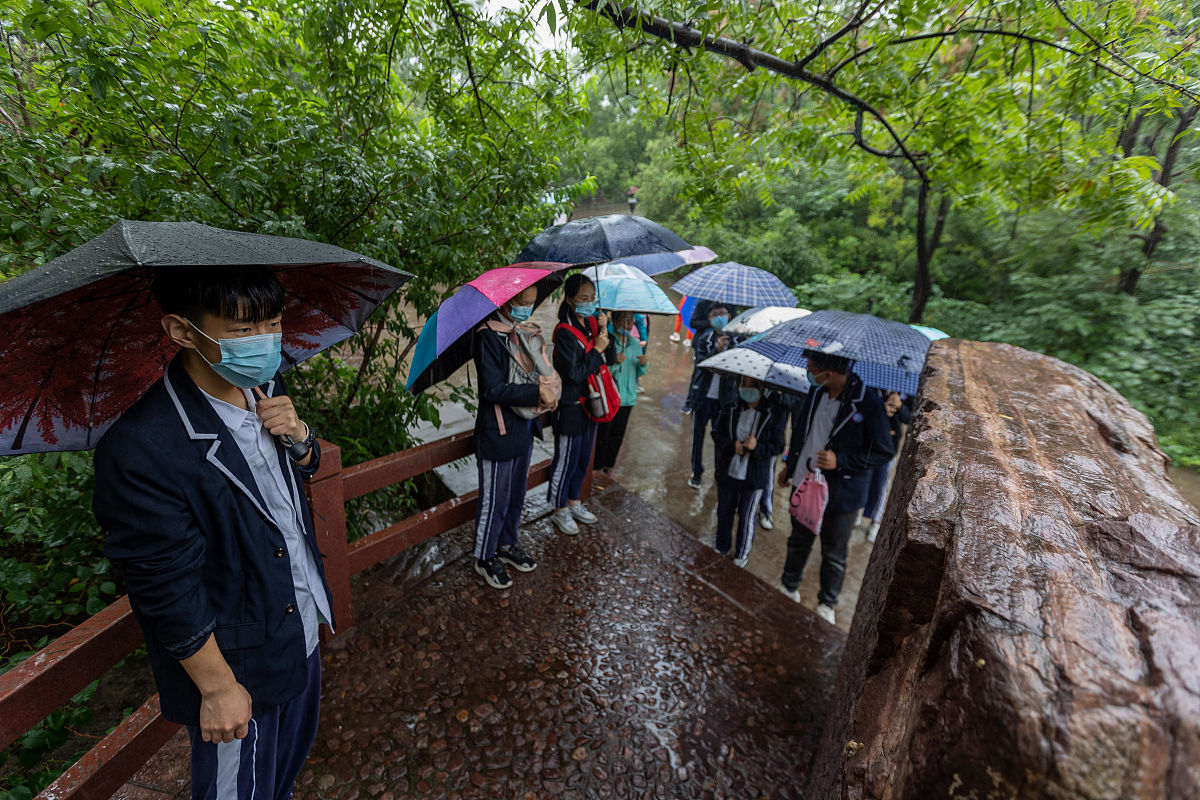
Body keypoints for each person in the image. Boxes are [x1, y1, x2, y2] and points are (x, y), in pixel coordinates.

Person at [93, 266, 332, 800]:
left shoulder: (267, 388)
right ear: (181, 330)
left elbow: (297, 477)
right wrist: (218, 687)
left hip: (300, 627)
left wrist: (300, 439)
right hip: (238, 665)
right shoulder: (143, 446)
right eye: (244, 331)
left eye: (273, 324)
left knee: (283, 775)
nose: (267, 342)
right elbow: (162, 582)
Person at [778, 350, 895, 625]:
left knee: (833, 551)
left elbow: (883, 450)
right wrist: (791, 464)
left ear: (827, 373)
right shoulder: (817, 391)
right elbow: (802, 431)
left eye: (811, 368)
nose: (809, 373)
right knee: (798, 540)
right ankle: (788, 585)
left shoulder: (867, 403)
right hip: (805, 482)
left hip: (841, 494)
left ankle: (827, 602)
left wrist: (840, 461)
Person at [470, 285, 556, 589]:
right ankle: (485, 556)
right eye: (522, 303)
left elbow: (537, 372)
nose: (528, 309)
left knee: (517, 493)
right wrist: (536, 392)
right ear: (506, 301)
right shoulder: (487, 336)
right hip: (498, 432)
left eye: (532, 303)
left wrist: (547, 391)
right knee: (495, 498)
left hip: (524, 427)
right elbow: (491, 389)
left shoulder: (522, 332)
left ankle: (507, 544)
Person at [548, 274, 611, 535]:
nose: (589, 303)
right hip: (571, 407)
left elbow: (612, 357)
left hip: (591, 405)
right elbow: (573, 374)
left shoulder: (593, 327)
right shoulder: (564, 332)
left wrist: (606, 329)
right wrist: (596, 351)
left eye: (592, 298)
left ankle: (574, 502)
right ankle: (559, 508)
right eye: (584, 298)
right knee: (566, 460)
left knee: (583, 458)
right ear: (571, 300)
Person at [711, 376, 788, 567]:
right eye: (742, 384)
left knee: (746, 516)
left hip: (753, 476)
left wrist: (756, 447)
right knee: (724, 511)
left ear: (760, 388)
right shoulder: (731, 407)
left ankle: (741, 555)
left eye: (749, 385)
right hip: (728, 471)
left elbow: (777, 446)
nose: (744, 389)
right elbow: (717, 433)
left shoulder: (772, 414)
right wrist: (732, 445)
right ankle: (721, 546)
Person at [683, 303, 733, 488]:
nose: (720, 317)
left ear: (729, 316)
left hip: (724, 400)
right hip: (702, 397)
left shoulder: (736, 341)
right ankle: (697, 471)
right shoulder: (705, 339)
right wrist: (716, 350)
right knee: (697, 436)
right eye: (715, 314)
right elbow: (702, 364)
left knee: (721, 438)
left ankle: (720, 472)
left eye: (723, 313)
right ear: (710, 319)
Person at [593, 310, 647, 476]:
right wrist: (615, 362)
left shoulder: (635, 343)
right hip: (611, 397)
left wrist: (644, 364)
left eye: (631, 320)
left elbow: (639, 372)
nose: (628, 324)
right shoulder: (608, 342)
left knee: (618, 435)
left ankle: (609, 466)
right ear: (615, 322)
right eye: (624, 320)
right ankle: (597, 466)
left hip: (628, 398)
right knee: (603, 434)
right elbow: (602, 371)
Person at [859, 390, 912, 543]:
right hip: (867, 441)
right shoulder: (874, 385)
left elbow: (910, 417)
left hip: (889, 446)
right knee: (862, 477)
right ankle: (857, 512)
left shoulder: (907, 390)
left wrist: (900, 407)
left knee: (881, 485)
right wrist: (879, 409)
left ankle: (875, 522)